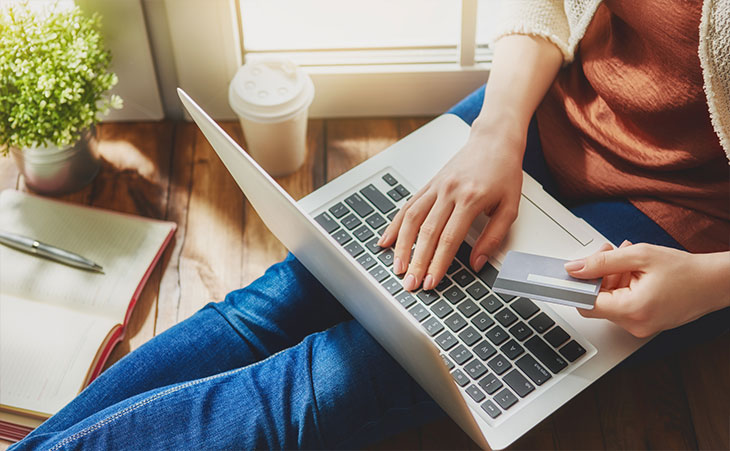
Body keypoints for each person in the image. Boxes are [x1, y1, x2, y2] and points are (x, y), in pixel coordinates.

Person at [12, 0, 730, 449]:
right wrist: (499, 129)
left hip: (685, 227)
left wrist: (707, 283)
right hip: (539, 110)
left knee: (325, 380)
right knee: (281, 298)